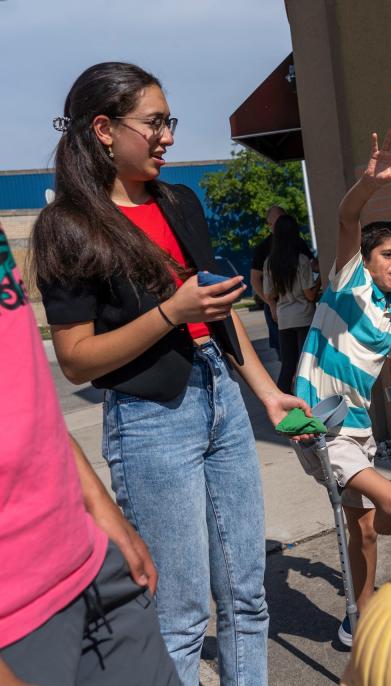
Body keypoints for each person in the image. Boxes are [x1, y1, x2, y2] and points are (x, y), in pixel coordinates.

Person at [31, 62, 310, 686]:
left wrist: (265, 393)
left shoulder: (180, 201)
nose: (169, 137)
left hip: (222, 401)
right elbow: (76, 356)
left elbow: (217, 307)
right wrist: (169, 313)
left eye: (169, 122)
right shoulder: (67, 226)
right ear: (104, 129)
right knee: (181, 618)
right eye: (155, 123)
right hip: (151, 422)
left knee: (247, 596)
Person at [0, 221, 178, 684]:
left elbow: (22, 393)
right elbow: (74, 360)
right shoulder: (69, 230)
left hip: (89, 562)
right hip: (17, 622)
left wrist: (100, 508)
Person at [294, 130, 391, 647]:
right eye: (390, 254)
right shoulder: (346, 282)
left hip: (359, 429)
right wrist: (367, 186)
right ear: (367, 259)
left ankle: (360, 612)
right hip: (318, 425)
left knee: (368, 528)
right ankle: (370, 600)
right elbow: (348, 220)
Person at [263, 214, 321, 393]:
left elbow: (268, 293)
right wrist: (320, 280)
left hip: (284, 319)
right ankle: (308, 402)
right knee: (307, 364)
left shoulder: (269, 263)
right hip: (304, 317)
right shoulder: (302, 260)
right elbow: (310, 295)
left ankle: (283, 405)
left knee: (288, 365)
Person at [251, 205, 314, 357]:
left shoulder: (298, 244)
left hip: (289, 311)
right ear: (269, 225)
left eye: (283, 219)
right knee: (296, 358)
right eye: (277, 221)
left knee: (295, 360)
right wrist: (271, 304)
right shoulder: (264, 249)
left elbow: (313, 265)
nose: (282, 225)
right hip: (286, 310)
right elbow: (255, 279)